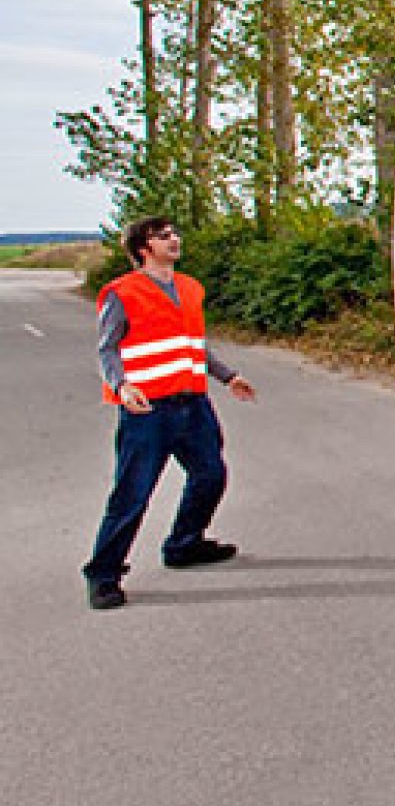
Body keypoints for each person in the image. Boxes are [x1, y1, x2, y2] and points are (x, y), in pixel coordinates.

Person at [81, 216, 256, 610]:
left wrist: (227, 377)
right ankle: (103, 574)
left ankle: (184, 543)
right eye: (163, 236)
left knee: (211, 474)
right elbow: (107, 348)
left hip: (192, 404)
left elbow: (193, 344)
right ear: (144, 248)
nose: (174, 239)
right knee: (133, 493)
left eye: (175, 233)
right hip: (148, 410)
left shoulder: (190, 289)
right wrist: (123, 386)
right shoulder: (122, 292)